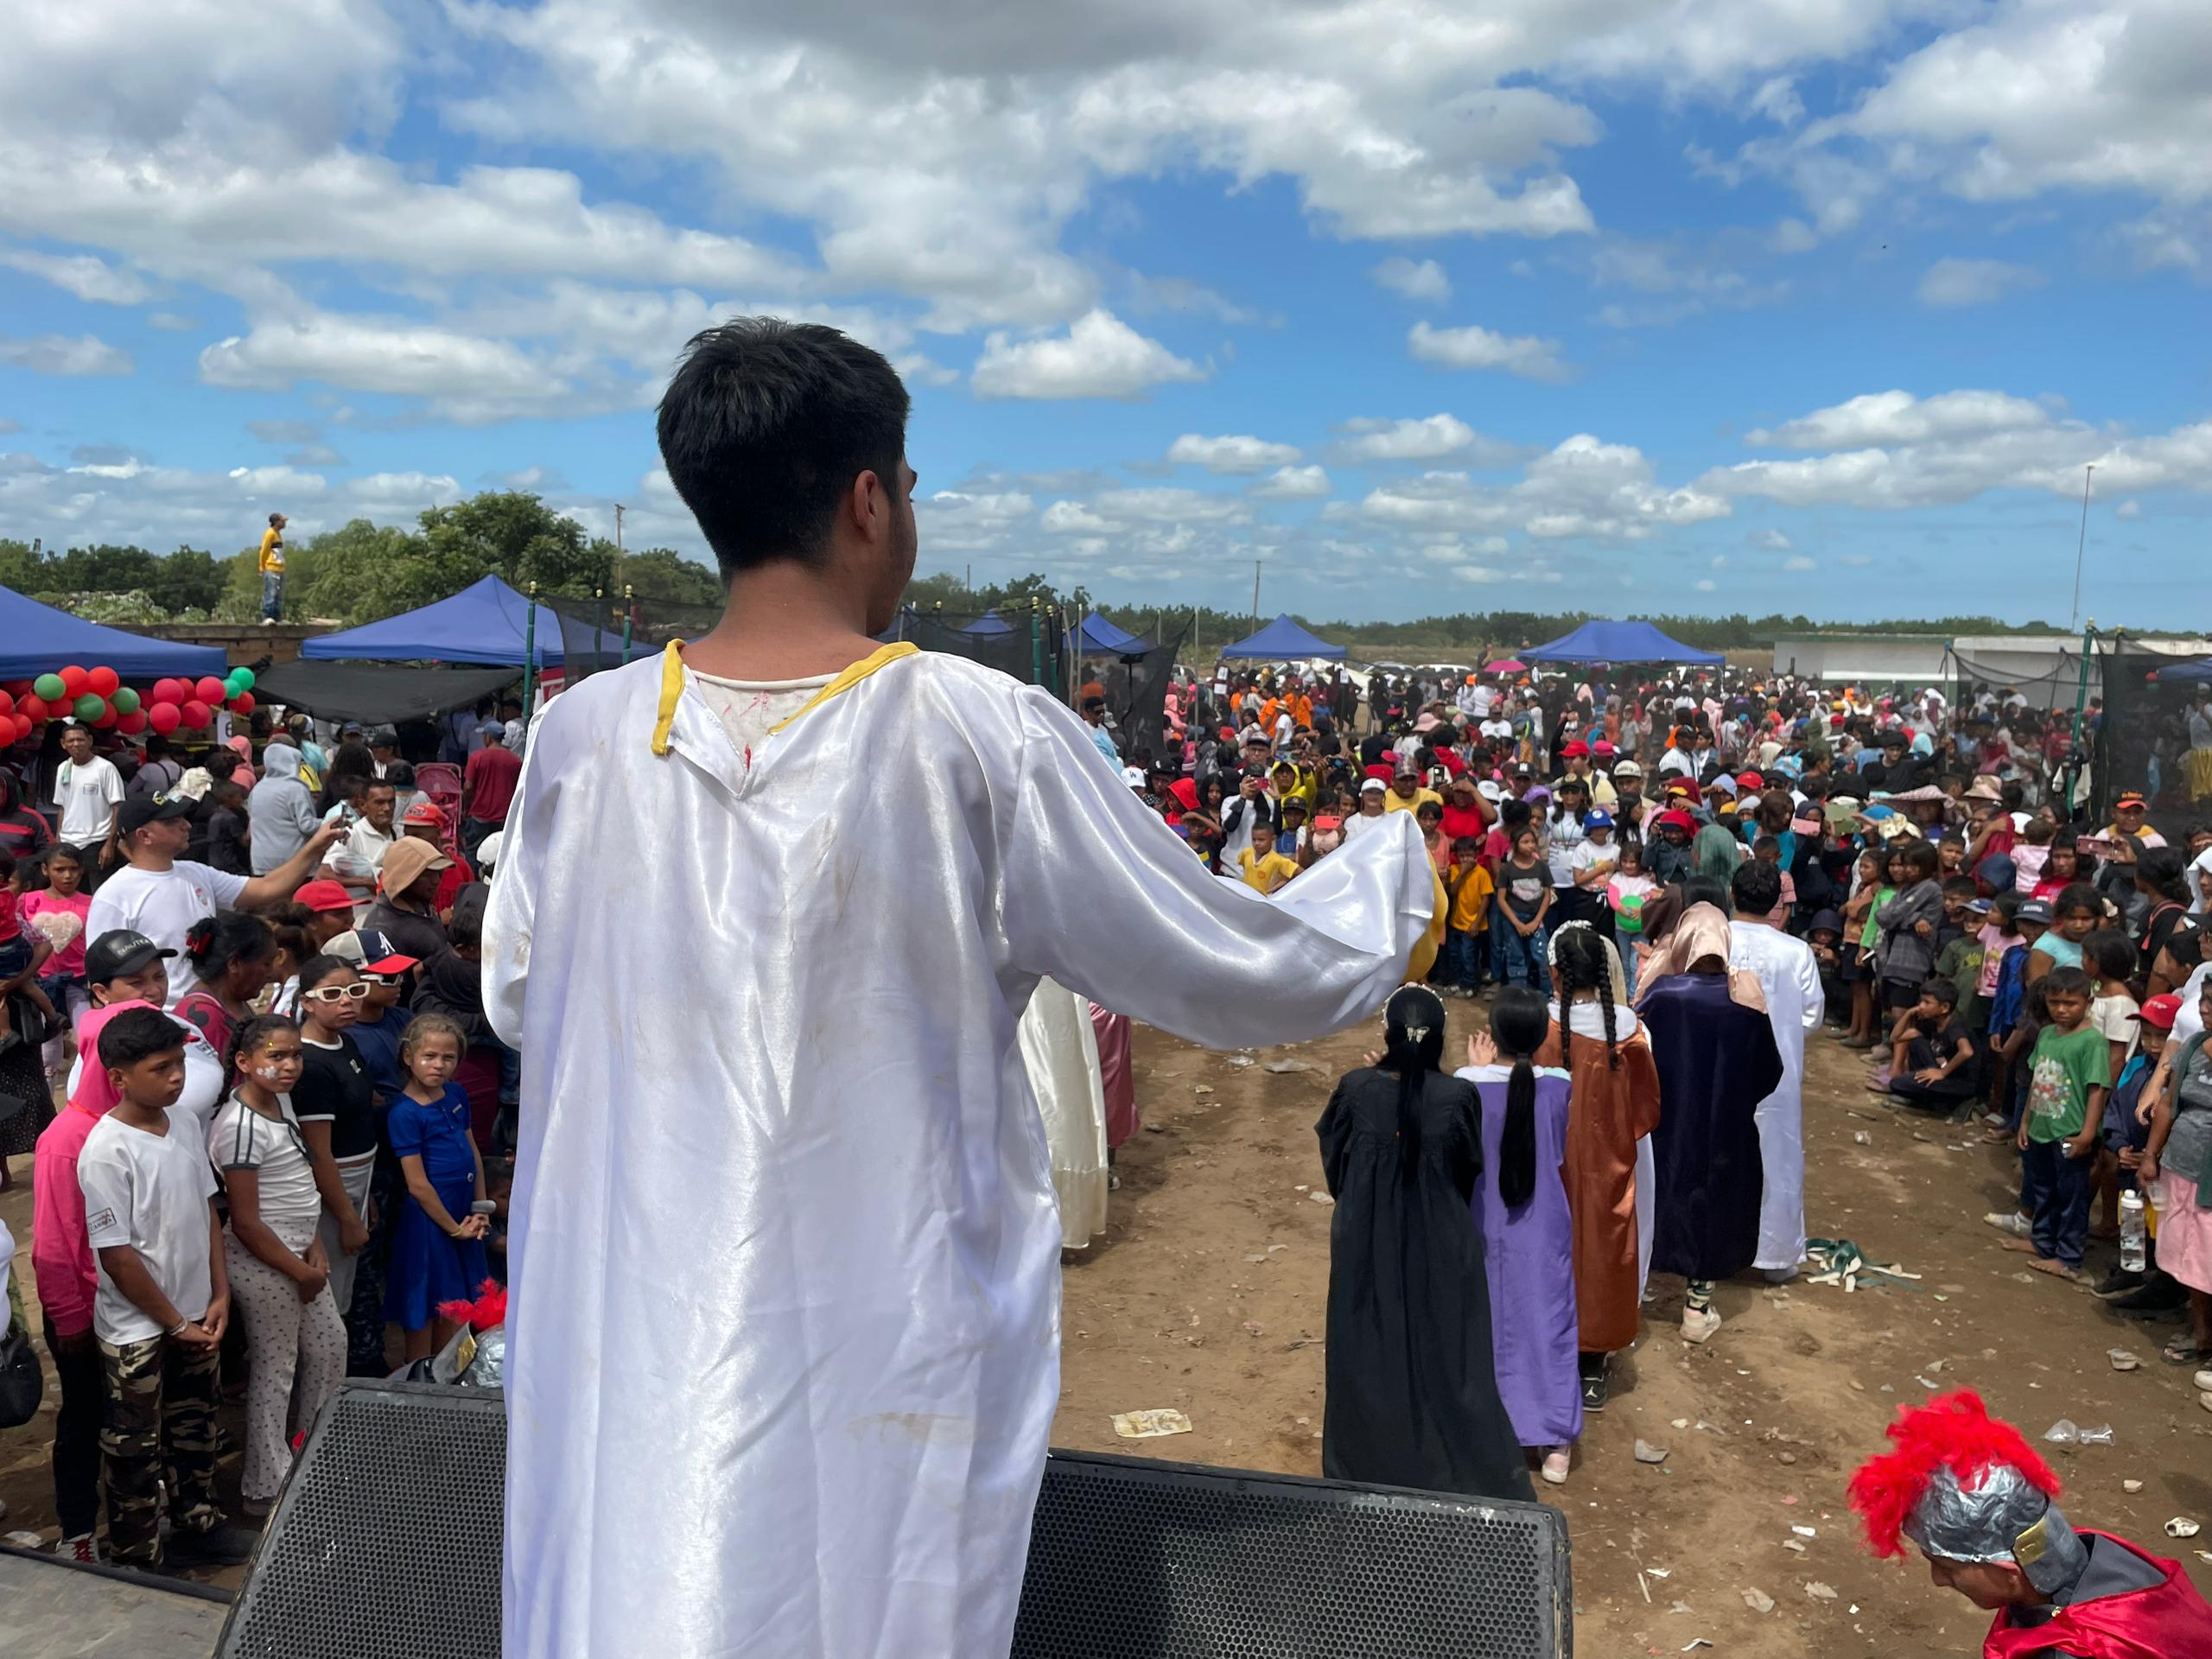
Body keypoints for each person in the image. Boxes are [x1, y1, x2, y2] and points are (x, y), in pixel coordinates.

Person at [484, 319, 1440, 1659]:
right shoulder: (975, 730)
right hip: (881, 1345)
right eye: (913, 490)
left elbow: (521, 993)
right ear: (870, 500)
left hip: (629, 1322)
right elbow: (1232, 967)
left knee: (627, 1587)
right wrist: (1391, 871)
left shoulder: (579, 737)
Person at [1316, 986, 1530, 1501]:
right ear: (1439, 1039)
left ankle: (1369, 1462)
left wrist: (1371, 1080)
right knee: (1448, 1352)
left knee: (1370, 1351)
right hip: (1442, 1242)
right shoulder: (1458, 1097)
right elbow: (1466, 1170)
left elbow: (1337, 1168)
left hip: (1369, 1244)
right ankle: (1451, 1462)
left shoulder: (1354, 1089)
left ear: (1386, 1035)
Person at [75, 1005, 251, 1568]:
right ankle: (137, 1553)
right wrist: (176, 1323)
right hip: (139, 1330)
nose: (176, 1077)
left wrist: (219, 1294)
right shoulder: (106, 1150)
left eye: (179, 1063)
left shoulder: (183, 1124)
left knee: (194, 1426)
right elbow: (119, 1256)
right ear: (119, 1077)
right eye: (161, 1068)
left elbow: (206, 1210)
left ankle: (198, 1523)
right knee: (135, 1449)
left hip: (198, 1312)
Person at [1848, 1389, 2212, 1651]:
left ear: (2010, 1574)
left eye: (1948, 1568)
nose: (1939, 1580)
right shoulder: (2104, 1556)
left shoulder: (2081, 1648)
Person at [207, 1012, 346, 1511]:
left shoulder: (279, 1103)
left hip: (300, 1253)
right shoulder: (239, 1125)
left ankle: (312, 1453)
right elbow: (246, 1221)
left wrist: (314, 1246)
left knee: (330, 1346)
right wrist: (299, 1269)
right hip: (264, 1260)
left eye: (296, 1055)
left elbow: (295, 1187)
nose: (290, 1065)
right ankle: (266, 1487)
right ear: (245, 1062)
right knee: (277, 1365)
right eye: (277, 1056)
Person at [1636, 903, 1784, 1342]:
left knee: (1658, 1196)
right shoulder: (1746, 998)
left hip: (1666, 1126)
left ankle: (1639, 1288)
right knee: (1716, 1205)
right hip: (1727, 1128)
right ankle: (1697, 1311)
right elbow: (1769, 1071)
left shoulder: (1662, 996)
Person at [1457, 987, 1580, 1484]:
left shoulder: (1469, 1086)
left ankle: (1494, 1428)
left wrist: (1476, 1066)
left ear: (1494, 1035)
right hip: (1544, 1225)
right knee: (1548, 1323)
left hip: (1486, 1223)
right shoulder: (1557, 1086)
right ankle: (1555, 1444)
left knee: (1488, 1325)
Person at [1536, 925, 1661, 1409]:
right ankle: (1593, 1367)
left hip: (1552, 1162)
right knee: (1605, 1256)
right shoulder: (1629, 1030)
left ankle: (1548, 1348)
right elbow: (1645, 1109)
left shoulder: (1540, 1026)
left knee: (1552, 1250)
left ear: (1554, 973)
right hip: (1609, 1166)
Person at [84, 794, 340, 1009]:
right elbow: (100, 975)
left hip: (210, 1009)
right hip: (160, 1019)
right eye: (173, 821)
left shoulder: (196, 872)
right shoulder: (114, 895)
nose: (187, 825)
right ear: (144, 835)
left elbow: (266, 887)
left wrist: (316, 846)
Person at [1725, 860, 1825, 1279]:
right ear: (1776, 906)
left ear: (1731, 895)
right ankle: (1776, 1257)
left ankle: (1718, 1248)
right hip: (1777, 1072)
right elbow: (1811, 1016)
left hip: (1720, 1067)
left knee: (1719, 1152)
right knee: (1777, 1156)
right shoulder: (1795, 951)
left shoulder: (1713, 941)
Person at [384, 1013, 489, 1363]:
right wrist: (454, 1229)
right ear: (408, 1056)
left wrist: (480, 1209)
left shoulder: (457, 1094)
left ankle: (448, 1382)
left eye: (448, 1058)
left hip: (465, 1217)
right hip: (432, 1224)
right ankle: (418, 1379)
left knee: (457, 1308)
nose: (439, 1065)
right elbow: (417, 1184)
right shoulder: (404, 1113)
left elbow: (472, 1150)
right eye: (429, 1056)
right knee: (427, 1305)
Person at [2013, 965, 2107, 1281]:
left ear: (2088, 1002)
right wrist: (2025, 1121)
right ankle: (2042, 1242)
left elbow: (2097, 1090)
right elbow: (2036, 1080)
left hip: (2070, 1131)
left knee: (2072, 1196)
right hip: (2041, 1127)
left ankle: (2068, 1257)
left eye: (2070, 1004)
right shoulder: (2047, 1034)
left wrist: (2088, 1134)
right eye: (2055, 1003)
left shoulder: (2092, 1041)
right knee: (2044, 1189)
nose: (2062, 1010)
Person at [2139, 978, 2212, 1368]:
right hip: (2181, 1166)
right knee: (2186, 1255)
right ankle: (2200, 1331)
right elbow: (2167, 1105)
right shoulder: (2194, 1048)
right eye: (2205, 1001)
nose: (2205, 1010)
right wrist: (2151, 1155)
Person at [171, 909, 276, 1061]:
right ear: (234, 963)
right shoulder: (202, 1018)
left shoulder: (236, 1002)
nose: (271, 973)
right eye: (266, 964)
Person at [1884, 978, 1981, 1113]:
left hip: (1962, 1082)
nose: (1921, 1006)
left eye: (1927, 1002)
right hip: (1946, 1071)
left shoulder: (1955, 1025)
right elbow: (1896, 1038)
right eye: (1921, 1001)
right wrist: (1909, 1013)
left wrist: (1942, 1073)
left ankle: (1948, 1102)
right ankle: (1930, 1098)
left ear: (1945, 1007)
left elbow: (1966, 1051)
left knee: (1897, 1084)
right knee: (1916, 1042)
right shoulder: (1932, 1022)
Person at [362, 836, 453, 963]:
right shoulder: (382, 930)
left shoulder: (422, 904)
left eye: (439, 872)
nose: (436, 880)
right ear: (404, 877)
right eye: (426, 875)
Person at [1495, 823, 1554, 994]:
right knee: (1515, 957)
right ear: (1515, 844)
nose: (1530, 846)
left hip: (1536, 918)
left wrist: (1536, 921)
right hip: (1513, 919)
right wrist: (1517, 923)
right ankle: (1517, 996)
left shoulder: (1541, 867)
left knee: (1542, 956)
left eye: (1532, 842)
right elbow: (1501, 899)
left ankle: (1548, 996)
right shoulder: (1507, 869)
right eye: (1525, 842)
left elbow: (1547, 895)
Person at [248, 742, 323, 875]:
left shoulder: (258, 789)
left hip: (261, 861)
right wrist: (328, 821)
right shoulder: (295, 788)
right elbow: (307, 825)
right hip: (292, 861)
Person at [329, 779, 397, 921]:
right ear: (363, 805)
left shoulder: (400, 832)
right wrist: (367, 882)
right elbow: (322, 875)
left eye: (391, 802)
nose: (387, 808)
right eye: (379, 802)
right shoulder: (352, 834)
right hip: (362, 917)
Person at [51, 724, 124, 855]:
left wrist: (110, 844)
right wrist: (58, 838)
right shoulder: (63, 768)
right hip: (68, 842)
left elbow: (117, 806)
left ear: (90, 740)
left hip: (97, 841)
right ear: (63, 744)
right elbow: (62, 807)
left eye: (80, 740)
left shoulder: (105, 768)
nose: (76, 744)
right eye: (71, 741)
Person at [461, 722, 523, 855]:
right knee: (501, 854)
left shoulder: (477, 757)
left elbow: (468, 787)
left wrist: (466, 807)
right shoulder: (515, 761)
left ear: (488, 737)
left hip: (479, 815)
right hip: (504, 817)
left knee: (473, 852)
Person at [257, 510, 287, 622]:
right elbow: (264, 551)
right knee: (271, 593)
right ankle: (267, 617)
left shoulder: (278, 534)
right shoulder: (270, 533)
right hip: (271, 568)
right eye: (282, 521)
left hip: (280, 568)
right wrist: (262, 566)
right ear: (276, 522)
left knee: (279, 596)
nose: (284, 523)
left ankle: (277, 618)